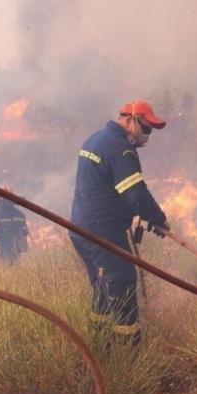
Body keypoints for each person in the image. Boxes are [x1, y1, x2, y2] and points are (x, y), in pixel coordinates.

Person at [69, 100, 170, 345]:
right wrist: (158, 219)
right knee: (122, 282)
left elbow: (105, 188)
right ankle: (128, 352)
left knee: (103, 286)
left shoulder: (95, 139)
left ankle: (99, 346)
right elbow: (135, 193)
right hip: (103, 232)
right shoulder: (120, 148)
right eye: (146, 128)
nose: (148, 135)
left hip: (81, 229)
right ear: (129, 119)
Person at [0, 195, 29, 264]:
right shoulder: (20, 214)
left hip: (4, 246)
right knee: (14, 266)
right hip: (17, 247)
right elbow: (25, 231)